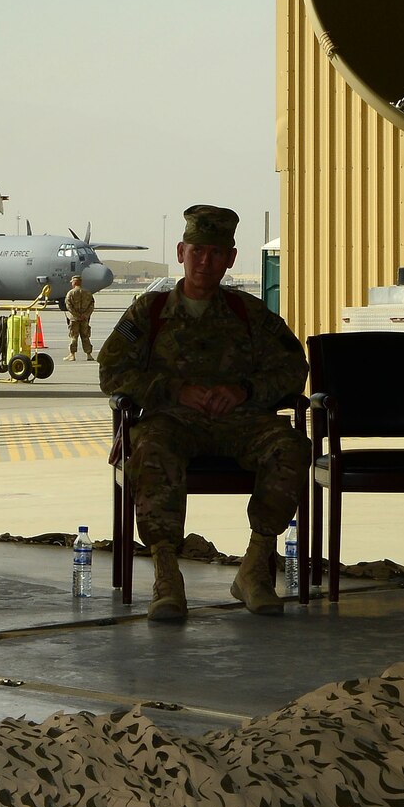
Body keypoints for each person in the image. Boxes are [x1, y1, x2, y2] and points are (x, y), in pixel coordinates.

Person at [98, 205, 308, 622]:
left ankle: (254, 569)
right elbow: (113, 371)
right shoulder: (150, 312)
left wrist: (244, 390)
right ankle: (166, 576)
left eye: (216, 253)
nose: (205, 262)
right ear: (181, 252)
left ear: (230, 258)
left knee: (290, 447)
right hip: (173, 421)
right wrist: (172, 390)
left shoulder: (249, 313)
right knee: (153, 449)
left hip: (240, 421)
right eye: (197, 251)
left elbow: (292, 366)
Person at [64, 272, 96, 359]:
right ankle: (89, 354)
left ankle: (72, 355)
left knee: (74, 336)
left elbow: (69, 306)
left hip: (75, 319)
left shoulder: (70, 293)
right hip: (85, 319)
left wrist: (77, 315)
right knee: (85, 336)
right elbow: (92, 305)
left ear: (74, 282)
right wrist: (85, 315)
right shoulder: (88, 293)